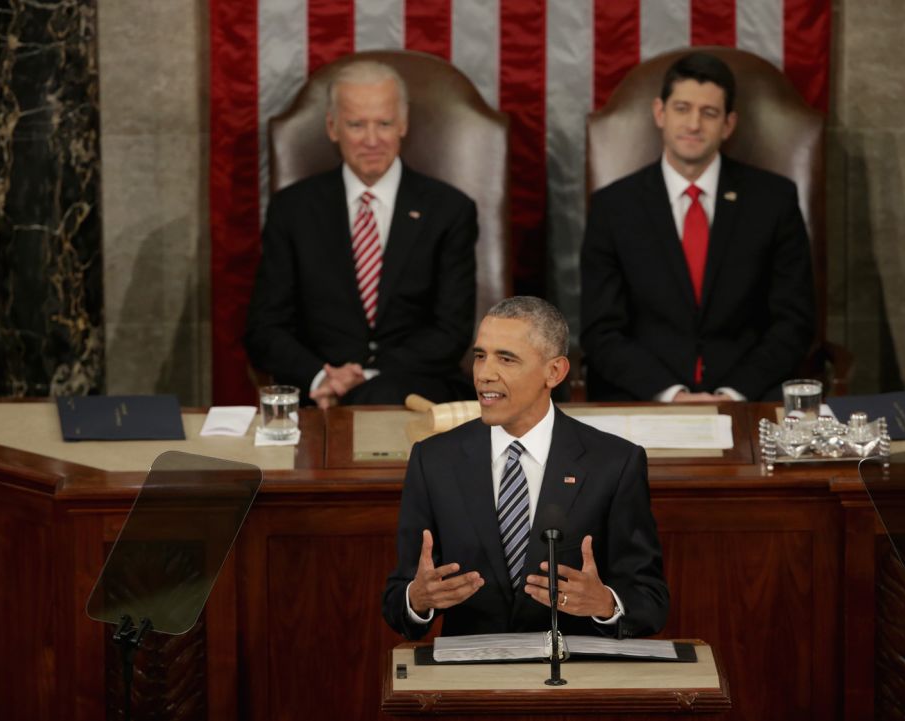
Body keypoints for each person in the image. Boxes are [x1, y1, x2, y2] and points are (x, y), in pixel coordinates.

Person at [382, 296, 669, 640]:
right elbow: (398, 600)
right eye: (480, 356)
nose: (485, 374)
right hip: (473, 681)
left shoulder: (614, 463)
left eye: (506, 358)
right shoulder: (433, 460)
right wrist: (417, 599)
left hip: (573, 676)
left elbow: (650, 600)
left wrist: (605, 604)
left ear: (555, 372)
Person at [580, 51, 815, 403]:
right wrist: (671, 395)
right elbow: (601, 330)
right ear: (660, 113)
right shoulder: (613, 207)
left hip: (750, 396)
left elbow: (793, 321)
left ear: (728, 124)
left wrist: (733, 394)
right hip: (645, 397)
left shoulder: (773, 200)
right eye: (682, 108)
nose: (693, 124)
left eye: (709, 113)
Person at [245, 59, 477, 407]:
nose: (372, 140)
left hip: (415, 391)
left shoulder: (450, 210)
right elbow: (265, 328)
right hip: (318, 394)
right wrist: (323, 377)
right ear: (332, 127)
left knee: (381, 397)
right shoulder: (292, 210)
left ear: (403, 124)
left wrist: (362, 380)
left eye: (383, 123)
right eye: (356, 125)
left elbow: (451, 332)